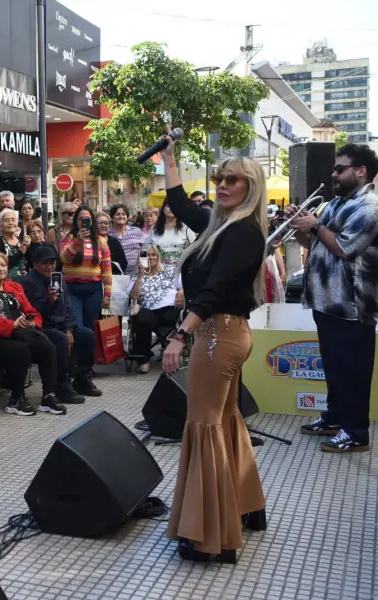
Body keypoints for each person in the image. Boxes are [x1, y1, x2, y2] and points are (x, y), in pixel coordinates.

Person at [158, 134, 267, 564]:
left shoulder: (242, 233)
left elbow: (215, 291)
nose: (222, 185)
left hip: (217, 336)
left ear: (250, 188)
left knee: (203, 426)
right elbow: (182, 205)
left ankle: (210, 537)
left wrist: (180, 335)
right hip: (225, 335)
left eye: (233, 180)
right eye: (220, 177)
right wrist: (170, 159)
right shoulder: (222, 225)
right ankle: (244, 507)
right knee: (224, 421)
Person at [289, 144, 378, 452]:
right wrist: (300, 225)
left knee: (353, 371)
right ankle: (334, 418)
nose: (334, 173)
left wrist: (315, 225)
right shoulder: (334, 204)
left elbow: (345, 248)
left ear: (361, 172)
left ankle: (356, 432)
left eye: (340, 168)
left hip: (352, 306)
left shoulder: (370, 207)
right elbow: (314, 242)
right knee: (334, 367)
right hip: (326, 300)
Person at [0, 250, 66, 417]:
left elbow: (31, 310)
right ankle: (16, 399)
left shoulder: (15, 287)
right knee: (20, 351)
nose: (1, 269)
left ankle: (49, 396)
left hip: (20, 332)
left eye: (3, 265)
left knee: (48, 345)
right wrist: (12, 324)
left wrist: (32, 321)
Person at [21, 244, 101, 401]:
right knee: (60, 338)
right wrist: (50, 300)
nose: (49, 267)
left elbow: (68, 308)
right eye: (45, 263)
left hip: (62, 325)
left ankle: (83, 379)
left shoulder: (59, 279)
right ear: (36, 264)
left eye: (52, 262)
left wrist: (69, 328)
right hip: (42, 327)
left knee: (87, 334)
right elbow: (34, 312)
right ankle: (62, 385)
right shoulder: (28, 282)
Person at [128, 245, 182, 373]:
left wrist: (181, 292)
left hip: (168, 308)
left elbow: (184, 286)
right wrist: (140, 276)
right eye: (147, 255)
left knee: (175, 317)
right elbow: (134, 296)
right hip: (148, 309)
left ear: (158, 257)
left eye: (153, 255)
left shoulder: (168, 270)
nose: (151, 257)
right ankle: (143, 360)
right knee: (142, 319)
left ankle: (173, 352)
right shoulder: (137, 276)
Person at [58, 206, 112, 331]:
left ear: (92, 221)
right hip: (72, 289)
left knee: (91, 327)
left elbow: (106, 269)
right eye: (80, 219)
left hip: (93, 289)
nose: (83, 221)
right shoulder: (68, 239)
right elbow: (64, 259)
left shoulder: (100, 241)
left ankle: (89, 351)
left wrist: (107, 294)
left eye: (86, 219)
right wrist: (77, 241)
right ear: (76, 222)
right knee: (77, 327)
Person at [147, 199, 196, 269]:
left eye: (174, 206)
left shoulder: (187, 229)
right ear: (163, 209)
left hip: (180, 272)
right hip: (158, 272)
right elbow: (145, 249)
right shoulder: (154, 228)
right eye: (168, 206)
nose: (171, 208)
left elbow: (195, 250)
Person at [0, 208, 31, 282]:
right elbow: (1, 265)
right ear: (0, 224)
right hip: (7, 284)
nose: (11, 223)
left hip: (26, 283)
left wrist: (30, 246)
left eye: (13, 219)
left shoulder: (21, 240)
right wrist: (20, 252)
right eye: (6, 220)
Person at [108, 204, 146, 276]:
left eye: (123, 214)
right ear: (112, 218)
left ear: (127, 217)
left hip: (135, 275)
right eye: (117, 214)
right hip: (115, 275)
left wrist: (144, 266)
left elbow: (144, 249)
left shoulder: (136, 232)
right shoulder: (107, 233)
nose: (121, 216)